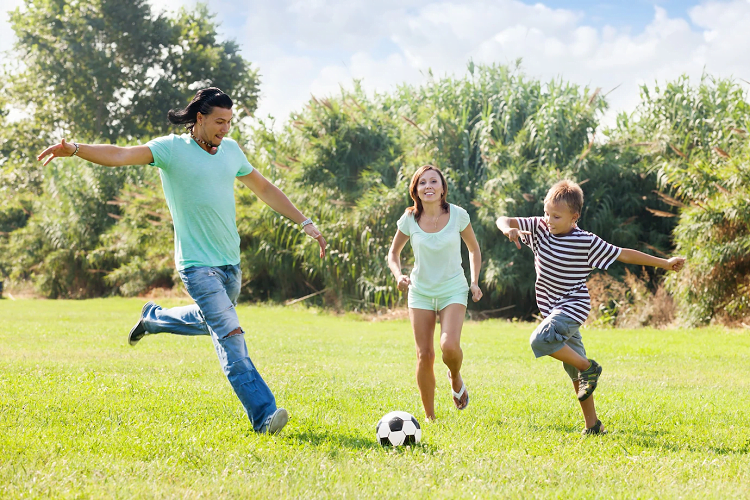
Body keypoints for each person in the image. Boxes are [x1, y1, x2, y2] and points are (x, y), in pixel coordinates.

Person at [37, 87, 327, 435]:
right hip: (196, 265)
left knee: (214, 323)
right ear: (200, 119)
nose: (225, 129)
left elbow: (264, 188)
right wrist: (76, 149)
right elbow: (119, 154)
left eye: (229, 122)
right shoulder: (171, 149)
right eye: (219, 122)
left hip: (229, 263)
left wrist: (304, 222)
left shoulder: (231, 151)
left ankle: (153, 319)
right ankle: (264, 414)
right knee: (230, 334)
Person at [496, 179, 685, 435]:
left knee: (539, 341)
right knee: (574, 371)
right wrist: (510, 230)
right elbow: (503, 219)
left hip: (573, 306)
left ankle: (590, 367)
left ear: (574, 217)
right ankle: (593, 426)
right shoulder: (540, 228)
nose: (549, 220)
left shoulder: (585, 242)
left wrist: (664, 263)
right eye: (546, 213)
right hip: (553, 310)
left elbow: (624, 254)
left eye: (556, 216)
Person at [387, 165, 483, 421]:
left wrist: (474, 282)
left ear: (442, 189)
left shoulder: (458, 215)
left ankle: (454, 376)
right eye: (422, 183)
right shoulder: (409, 219)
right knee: (424, 355)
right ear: (415, 190)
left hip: (453, 288)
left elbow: (473, 249)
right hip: (420, 292)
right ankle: (430, 418)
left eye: (433, 182)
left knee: (449, 346)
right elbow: (393, 253)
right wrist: (399, 276)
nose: (428, 186)